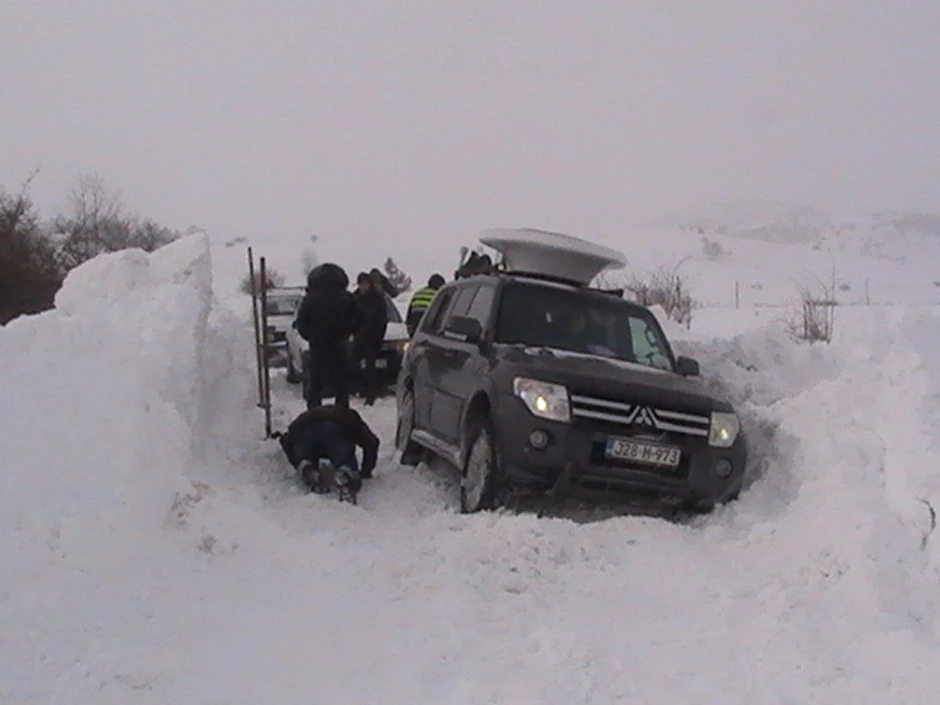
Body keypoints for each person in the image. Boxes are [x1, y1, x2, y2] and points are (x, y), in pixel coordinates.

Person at [276, 404, 380, 503]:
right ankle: (346, 474)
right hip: (337, 428)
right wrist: (366, 471)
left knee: (305, 454)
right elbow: (372, 443)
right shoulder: (349, 417)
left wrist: (297, 461)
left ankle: (308, 469)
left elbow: (287, 441)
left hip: (305, 428)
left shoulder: (304, 417)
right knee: (345, 459)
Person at [294, 263, 360, 409]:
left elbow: (302, 323)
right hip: (340, 345)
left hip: (318, 346)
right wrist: (347, 333)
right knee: (341, 384)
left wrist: (311, 337)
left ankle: (314, 415)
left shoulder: (310, 299)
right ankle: (342, 415)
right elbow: (357, 320)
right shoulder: (347, 298)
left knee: (315, 384)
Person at [352, 271, 389, 406]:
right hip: (358, 337)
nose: (363, 287)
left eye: (365, 284)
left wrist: (378, 336)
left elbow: (382, 319)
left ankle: (370, 394)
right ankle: (358, 389)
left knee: (370, 367)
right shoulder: (355, 298)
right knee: (355, 365)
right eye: (361, 284)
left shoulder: (377, 298)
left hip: (373, 338)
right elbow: (351, 316)